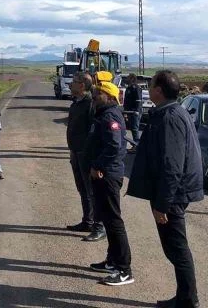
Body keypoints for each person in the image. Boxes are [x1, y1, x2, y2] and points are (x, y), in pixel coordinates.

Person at [128, 71, 204, 308]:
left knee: (177, 249)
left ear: (158, 90)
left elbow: (172, 166)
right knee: (174, 248)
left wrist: (162, 204)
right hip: (172, 192)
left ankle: (188, 301)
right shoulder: (171, 112)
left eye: (150, 85)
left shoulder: (170, 116)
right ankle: (184, 297)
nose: (148, 89)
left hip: (172, 194)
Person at [86, 74, 134, 286]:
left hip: (108, 175)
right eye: (95, 93)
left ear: (111, 97)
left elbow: (114, 147)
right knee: (107, 218)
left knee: (114, 222)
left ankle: (124, 270)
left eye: (99, 94)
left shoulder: (110, 117)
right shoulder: (104, 113)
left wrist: (97, 166)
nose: (95, 97)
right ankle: (112, 261)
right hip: (104, 174)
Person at [65, 72, 105, 241]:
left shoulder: (90, 104)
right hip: (76, 152)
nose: (70, 84)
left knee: (92, 191)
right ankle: (87, 221)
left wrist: (92, 158)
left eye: (74, 82)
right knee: (83, 189)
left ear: (82, 85)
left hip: (85, 154)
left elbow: (94, 132)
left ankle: (99, 226)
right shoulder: (76, 103)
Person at [124, 74, 143, 147]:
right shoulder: (129, 88)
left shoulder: (136, 88)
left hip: (135, 112)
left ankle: (136, 145)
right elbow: (126, 101)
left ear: (132, 79)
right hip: (129, 111)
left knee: (135, 128)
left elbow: (138, 100)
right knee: (132, 128)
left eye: (128, 78)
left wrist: (137, 111)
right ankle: (134, 144)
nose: (127, 79)